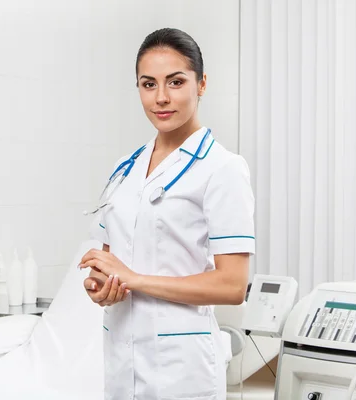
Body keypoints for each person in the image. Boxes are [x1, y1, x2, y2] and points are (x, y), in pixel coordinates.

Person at [79, 28, 255, 400]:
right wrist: (102, 287)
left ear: (201, 84)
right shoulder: (125, 168)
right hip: (122, 360)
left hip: (181, 370)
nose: (161, 97)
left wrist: (134, 279)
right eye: (148, 84)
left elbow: (232, 286)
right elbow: (111, 259)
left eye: (175, 82)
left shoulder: (222, 168)